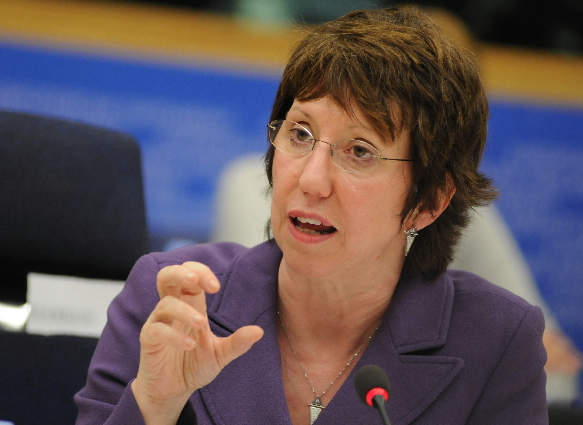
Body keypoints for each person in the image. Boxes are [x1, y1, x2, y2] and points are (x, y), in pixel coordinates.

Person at [75, 6, 548, 424]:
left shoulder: (496, 342)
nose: (311, 179)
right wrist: (154, 406)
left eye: (360, 151)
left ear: (428, 202)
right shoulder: (172, 299)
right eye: (300, 134)